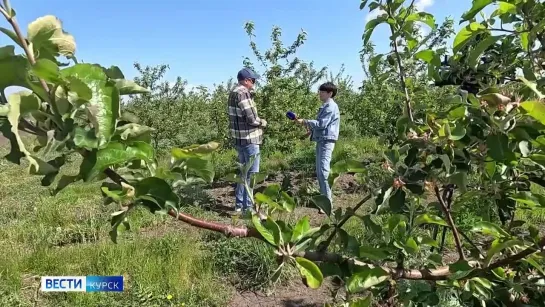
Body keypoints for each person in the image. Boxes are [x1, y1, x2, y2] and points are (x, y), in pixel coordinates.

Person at [296, 82, 340, 213]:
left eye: (322, 92)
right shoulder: (326, 106)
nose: (319, 94)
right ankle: (325, 202)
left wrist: (304, 121)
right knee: (320, 171)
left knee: (323, 172)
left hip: (326, 141)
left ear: (330, 93)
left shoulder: (330, 107)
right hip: (322, 140)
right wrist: (310, 131)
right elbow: (323, 126)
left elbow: (322, 124)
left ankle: (327, 205)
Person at [227, 67, 267, 212]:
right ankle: (247, 207)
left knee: (243, 174)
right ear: (247, 80)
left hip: (239, 139)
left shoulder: (234, 92)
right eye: (253, 80)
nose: (254, 83)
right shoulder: (243, 93)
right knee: (251, 174)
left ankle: (239, 205)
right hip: (249, 139)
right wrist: (262, 122)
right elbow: (251, 118)